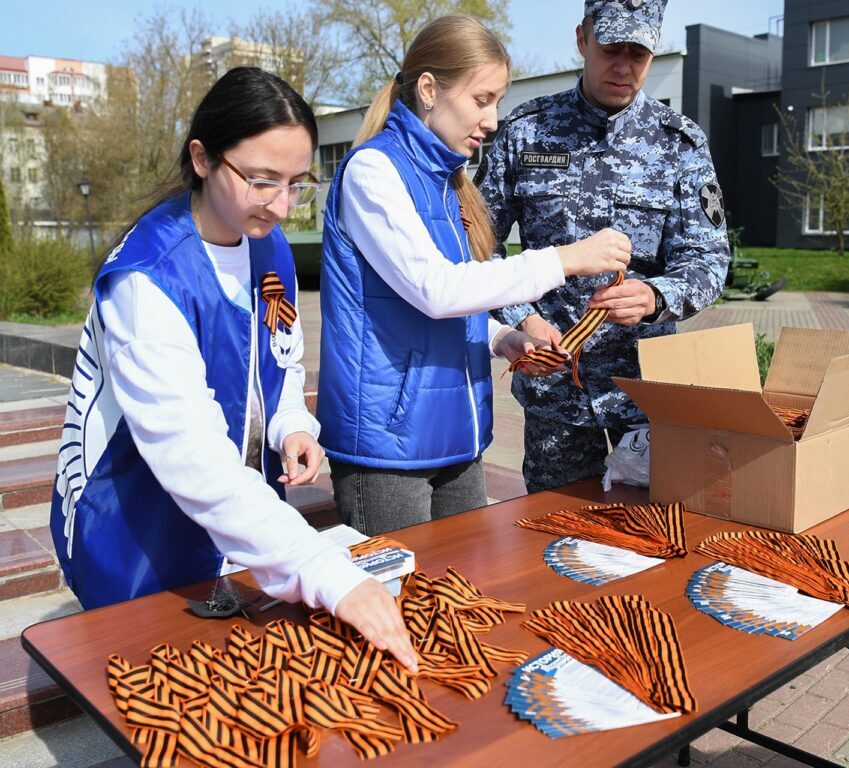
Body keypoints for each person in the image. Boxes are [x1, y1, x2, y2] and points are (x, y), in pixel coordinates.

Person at [50, 67, 418, 672]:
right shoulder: (148, 280)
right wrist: (327, 573)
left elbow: (281, 355)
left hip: (236, 522)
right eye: (261, 180)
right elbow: (192, 456)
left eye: (298, 183)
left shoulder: (266, 242)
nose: (281, 205)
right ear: (202, 157)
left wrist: (290, 424)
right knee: (158, 695)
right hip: (139, 525)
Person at [317, 15, 631, 536]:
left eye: (499, 103)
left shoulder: (450, 184)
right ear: (428, 90)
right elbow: (436, 291)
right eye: (482, 99)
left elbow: (437, 304)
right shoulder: (373, 173)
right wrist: (566, 259)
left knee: (466, 601)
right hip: (389, 450)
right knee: (399, 607)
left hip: (459, 437)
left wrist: (499, 336)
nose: (491, 120)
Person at [477, 0, 731, 494]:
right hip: (556, 393)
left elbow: (708, 260)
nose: (624, 67)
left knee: (655, 536)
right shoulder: (527, 132)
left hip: (648, 396)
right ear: (582, 40)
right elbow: (478, 247)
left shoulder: (678, 144)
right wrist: (523, 317)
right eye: (612, 48)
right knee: (552, 532)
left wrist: (656, 297)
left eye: (638, 53)